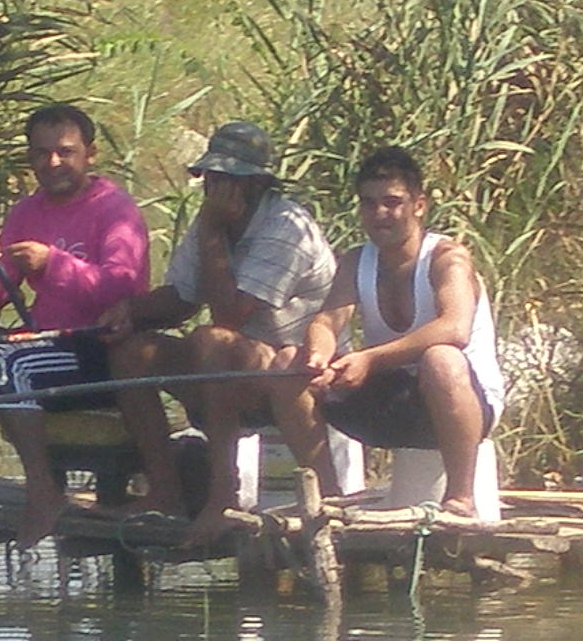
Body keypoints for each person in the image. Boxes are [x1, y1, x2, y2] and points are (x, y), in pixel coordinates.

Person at [0, 103, 173, 546]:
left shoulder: (115, 210)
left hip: (97, 349)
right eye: (40, 154)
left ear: (89, 154)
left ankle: (43, 493)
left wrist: (52, 263)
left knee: (6, 361)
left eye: (64, 152)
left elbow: (121, 288)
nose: (51, 163)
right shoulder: (26, 211)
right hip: (42, 347)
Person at [108, 122, 340, 552]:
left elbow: (228, 316)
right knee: (133, 354)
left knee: (212, 341)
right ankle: (165, 493)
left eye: (228, 180)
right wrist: (130, 312)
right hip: (227, 367)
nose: (216, 188)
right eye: (212, 179)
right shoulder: (210, 222)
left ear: (255, 184)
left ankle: (223, 496)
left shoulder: (285, 224)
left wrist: (213, 230)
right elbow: (182, 298)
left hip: (289, 367)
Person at [303, 146, 503, 521]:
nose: (380, 214)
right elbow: (327, 320)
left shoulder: (447, 258)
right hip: (396, 401)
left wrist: (370, 359)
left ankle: (460, 497)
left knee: (441, 358)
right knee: (289, 365)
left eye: (392, 203)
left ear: (419, 206)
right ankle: (326, 497)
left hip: (465, 401)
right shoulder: (354, 261)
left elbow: (454, 329)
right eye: (369, 204)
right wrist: (318, 356)